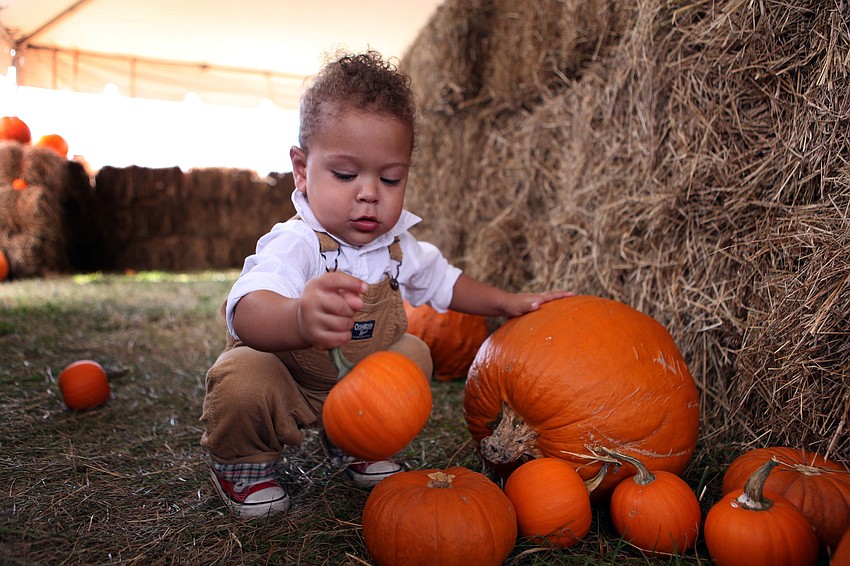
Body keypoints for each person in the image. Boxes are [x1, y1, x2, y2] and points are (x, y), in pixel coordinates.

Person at [200, 50, 571, 519]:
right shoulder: (296, 243)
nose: (369, 192)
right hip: (289, 380)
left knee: (414, 352)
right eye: (345, 174)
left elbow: (447, 283)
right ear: (301, 169)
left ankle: (358, 441)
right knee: (243, 378)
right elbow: (247, 309)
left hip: (356, 389)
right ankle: (243, 465)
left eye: (390, 178)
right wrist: (296, 316)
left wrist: (511, 302)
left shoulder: (396, 247)